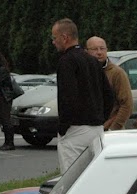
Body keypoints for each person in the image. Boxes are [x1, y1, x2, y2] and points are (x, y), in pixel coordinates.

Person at [51, 18, 114, 174]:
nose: (53, 42)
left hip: (75, 130)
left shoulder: (66, 61)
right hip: (97, 129)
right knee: (93, 175)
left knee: (72, 177)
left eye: (55, 37)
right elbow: (109, 96)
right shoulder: (93, 61)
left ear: (65, 37)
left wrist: (63, 128)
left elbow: (68, 97)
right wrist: (100, 118)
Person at [85, 36, 132, 131]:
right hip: (88, 131)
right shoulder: (83, 73)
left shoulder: (117, 73)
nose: (99, 52)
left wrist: (113, 128)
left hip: (111, 132)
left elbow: (127, 105)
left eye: (102, 48)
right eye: (95, 49)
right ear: (86, 52)